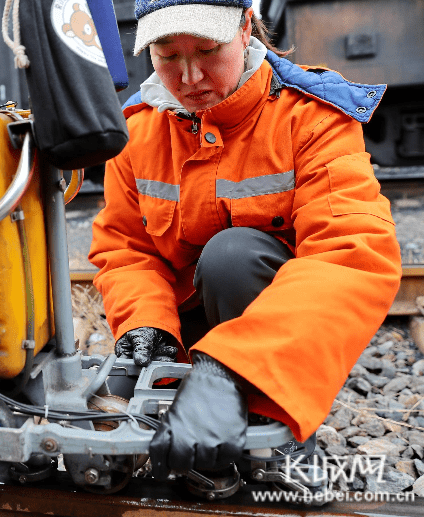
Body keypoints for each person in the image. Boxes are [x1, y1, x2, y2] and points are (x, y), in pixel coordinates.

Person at [88, 0, 401, 479]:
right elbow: (126, 248)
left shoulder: (311, 118)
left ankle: (272, 425)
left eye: (208, 50)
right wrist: (144, 329)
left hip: (280, 337)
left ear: (246, 28)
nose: (190, 76)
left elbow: (351, 254)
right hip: (182, 333)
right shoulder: (136, 132)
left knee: (232, 257)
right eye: (167, 55)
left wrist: (231, 369)